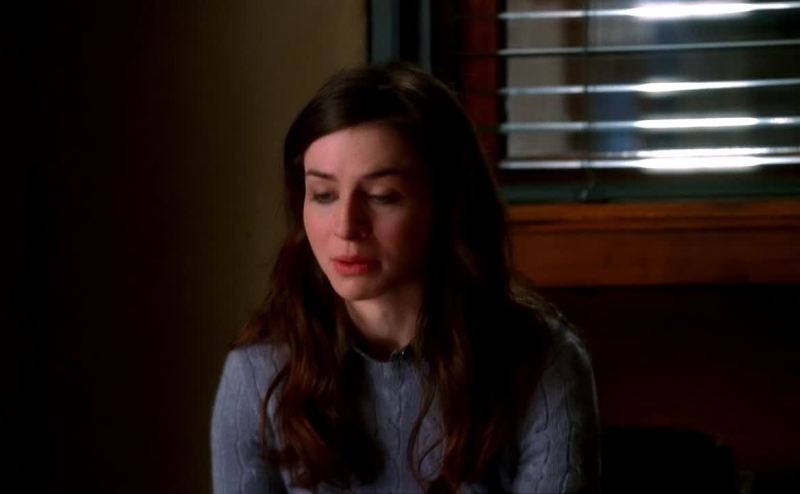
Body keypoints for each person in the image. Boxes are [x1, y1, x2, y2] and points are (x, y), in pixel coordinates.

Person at [211, 62, 600, 493]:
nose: (346, 227)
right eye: (323, 195)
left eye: (383, 196)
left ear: (447, 203)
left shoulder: (543, 361)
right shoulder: (258, 373)